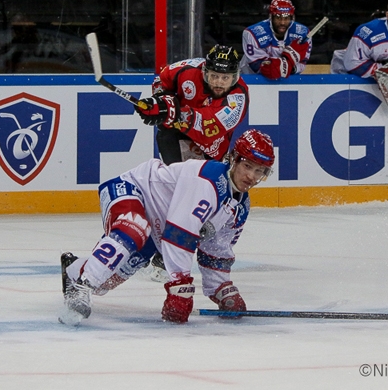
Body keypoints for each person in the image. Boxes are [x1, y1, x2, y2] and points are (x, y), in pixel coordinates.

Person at [59, 128, 276, 325]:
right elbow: (180, 234)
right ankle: (82, 285)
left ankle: (75, 270)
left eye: (259, 172)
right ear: (234, 160)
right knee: (134, 228)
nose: (251, 176)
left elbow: (216, 250)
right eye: (247, 166)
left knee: (104, 284)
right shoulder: (208, 181)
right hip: (132, 189)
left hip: (158, 228)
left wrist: (221, 289)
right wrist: (179, 286)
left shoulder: (240, 206)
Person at [134, 44, 250, 165]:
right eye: (214, 76)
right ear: (205, 72)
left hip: (211, 148)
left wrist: (171, 111)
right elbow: (162, 79)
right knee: (178, 178)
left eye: (225, 78)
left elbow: (207, 128)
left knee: (200, 181)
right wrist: (160, 99)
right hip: (176, 133)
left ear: (234, 77)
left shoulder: (238, 97)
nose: (219, 83)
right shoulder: (189, 69)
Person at [240, 0, 313, 78]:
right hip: (250, 78)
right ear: (271, 17)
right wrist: (288, 62)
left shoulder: (303, 33)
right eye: (278, 18)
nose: (282, 22)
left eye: (286, 18)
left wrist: (291, 68)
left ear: (292, 18)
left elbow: (303, 62)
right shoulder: (252, 33)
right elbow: (256, 65)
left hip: (286, 81)